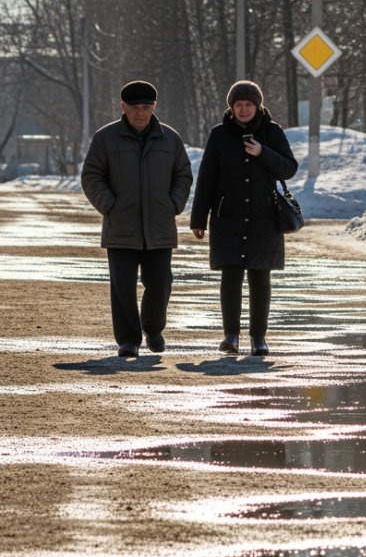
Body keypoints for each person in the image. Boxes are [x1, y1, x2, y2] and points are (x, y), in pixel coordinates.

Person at [81, 81, 194, 358]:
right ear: (123, 107)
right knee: (122, 289)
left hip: (160, 226)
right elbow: (91, 176)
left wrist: (172, 204)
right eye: (134, 108)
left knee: (161, 283)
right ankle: (128, 340)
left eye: (146, 107)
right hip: (121, 226)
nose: (140, 113)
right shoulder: (105, 138)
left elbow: (183, 174)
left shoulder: (170, 139)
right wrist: (111, 206)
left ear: (154, 107)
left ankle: (153, 328)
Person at [190, 81, 297, 356]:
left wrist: (263, 152)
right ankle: (231, 336)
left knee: (260, 278)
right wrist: (198, 219)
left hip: (264, 217)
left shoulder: (272, 132)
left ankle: (258, 338)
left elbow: (289, 168)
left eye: (249, 104)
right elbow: (207, 179)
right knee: (231, 276)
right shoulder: (219, 135)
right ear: (231, 107)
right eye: (238, 104)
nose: (243, 109)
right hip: (228, 217)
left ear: (258, 105)